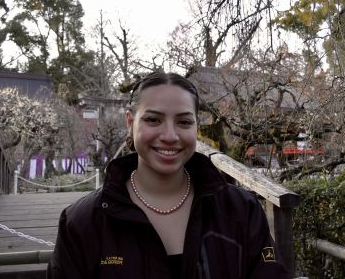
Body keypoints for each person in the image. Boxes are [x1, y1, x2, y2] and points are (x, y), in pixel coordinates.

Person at [47, 72, 290, 278]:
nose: (170, 135)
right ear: (130, 123)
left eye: (184, 122)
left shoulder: (241, 211)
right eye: (153, 120)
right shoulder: (83, 222)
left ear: (196, 127)